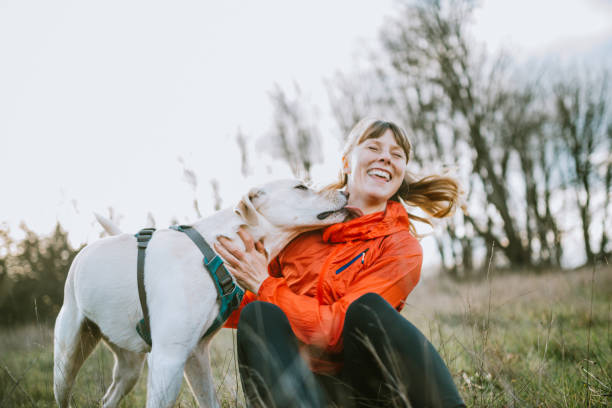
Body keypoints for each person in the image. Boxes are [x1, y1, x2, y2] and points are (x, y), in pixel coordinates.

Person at [214, 118, 466, 408]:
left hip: (369, 392)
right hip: (303, 391)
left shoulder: (401, 247)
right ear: (346, 162)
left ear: (399, 173)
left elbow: (334, 332)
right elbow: (240, 303)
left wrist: (264, 285)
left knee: (366, 309)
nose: (386, 156)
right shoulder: (300, 231)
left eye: (397, 155)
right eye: (374, 147)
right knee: (258, 315)